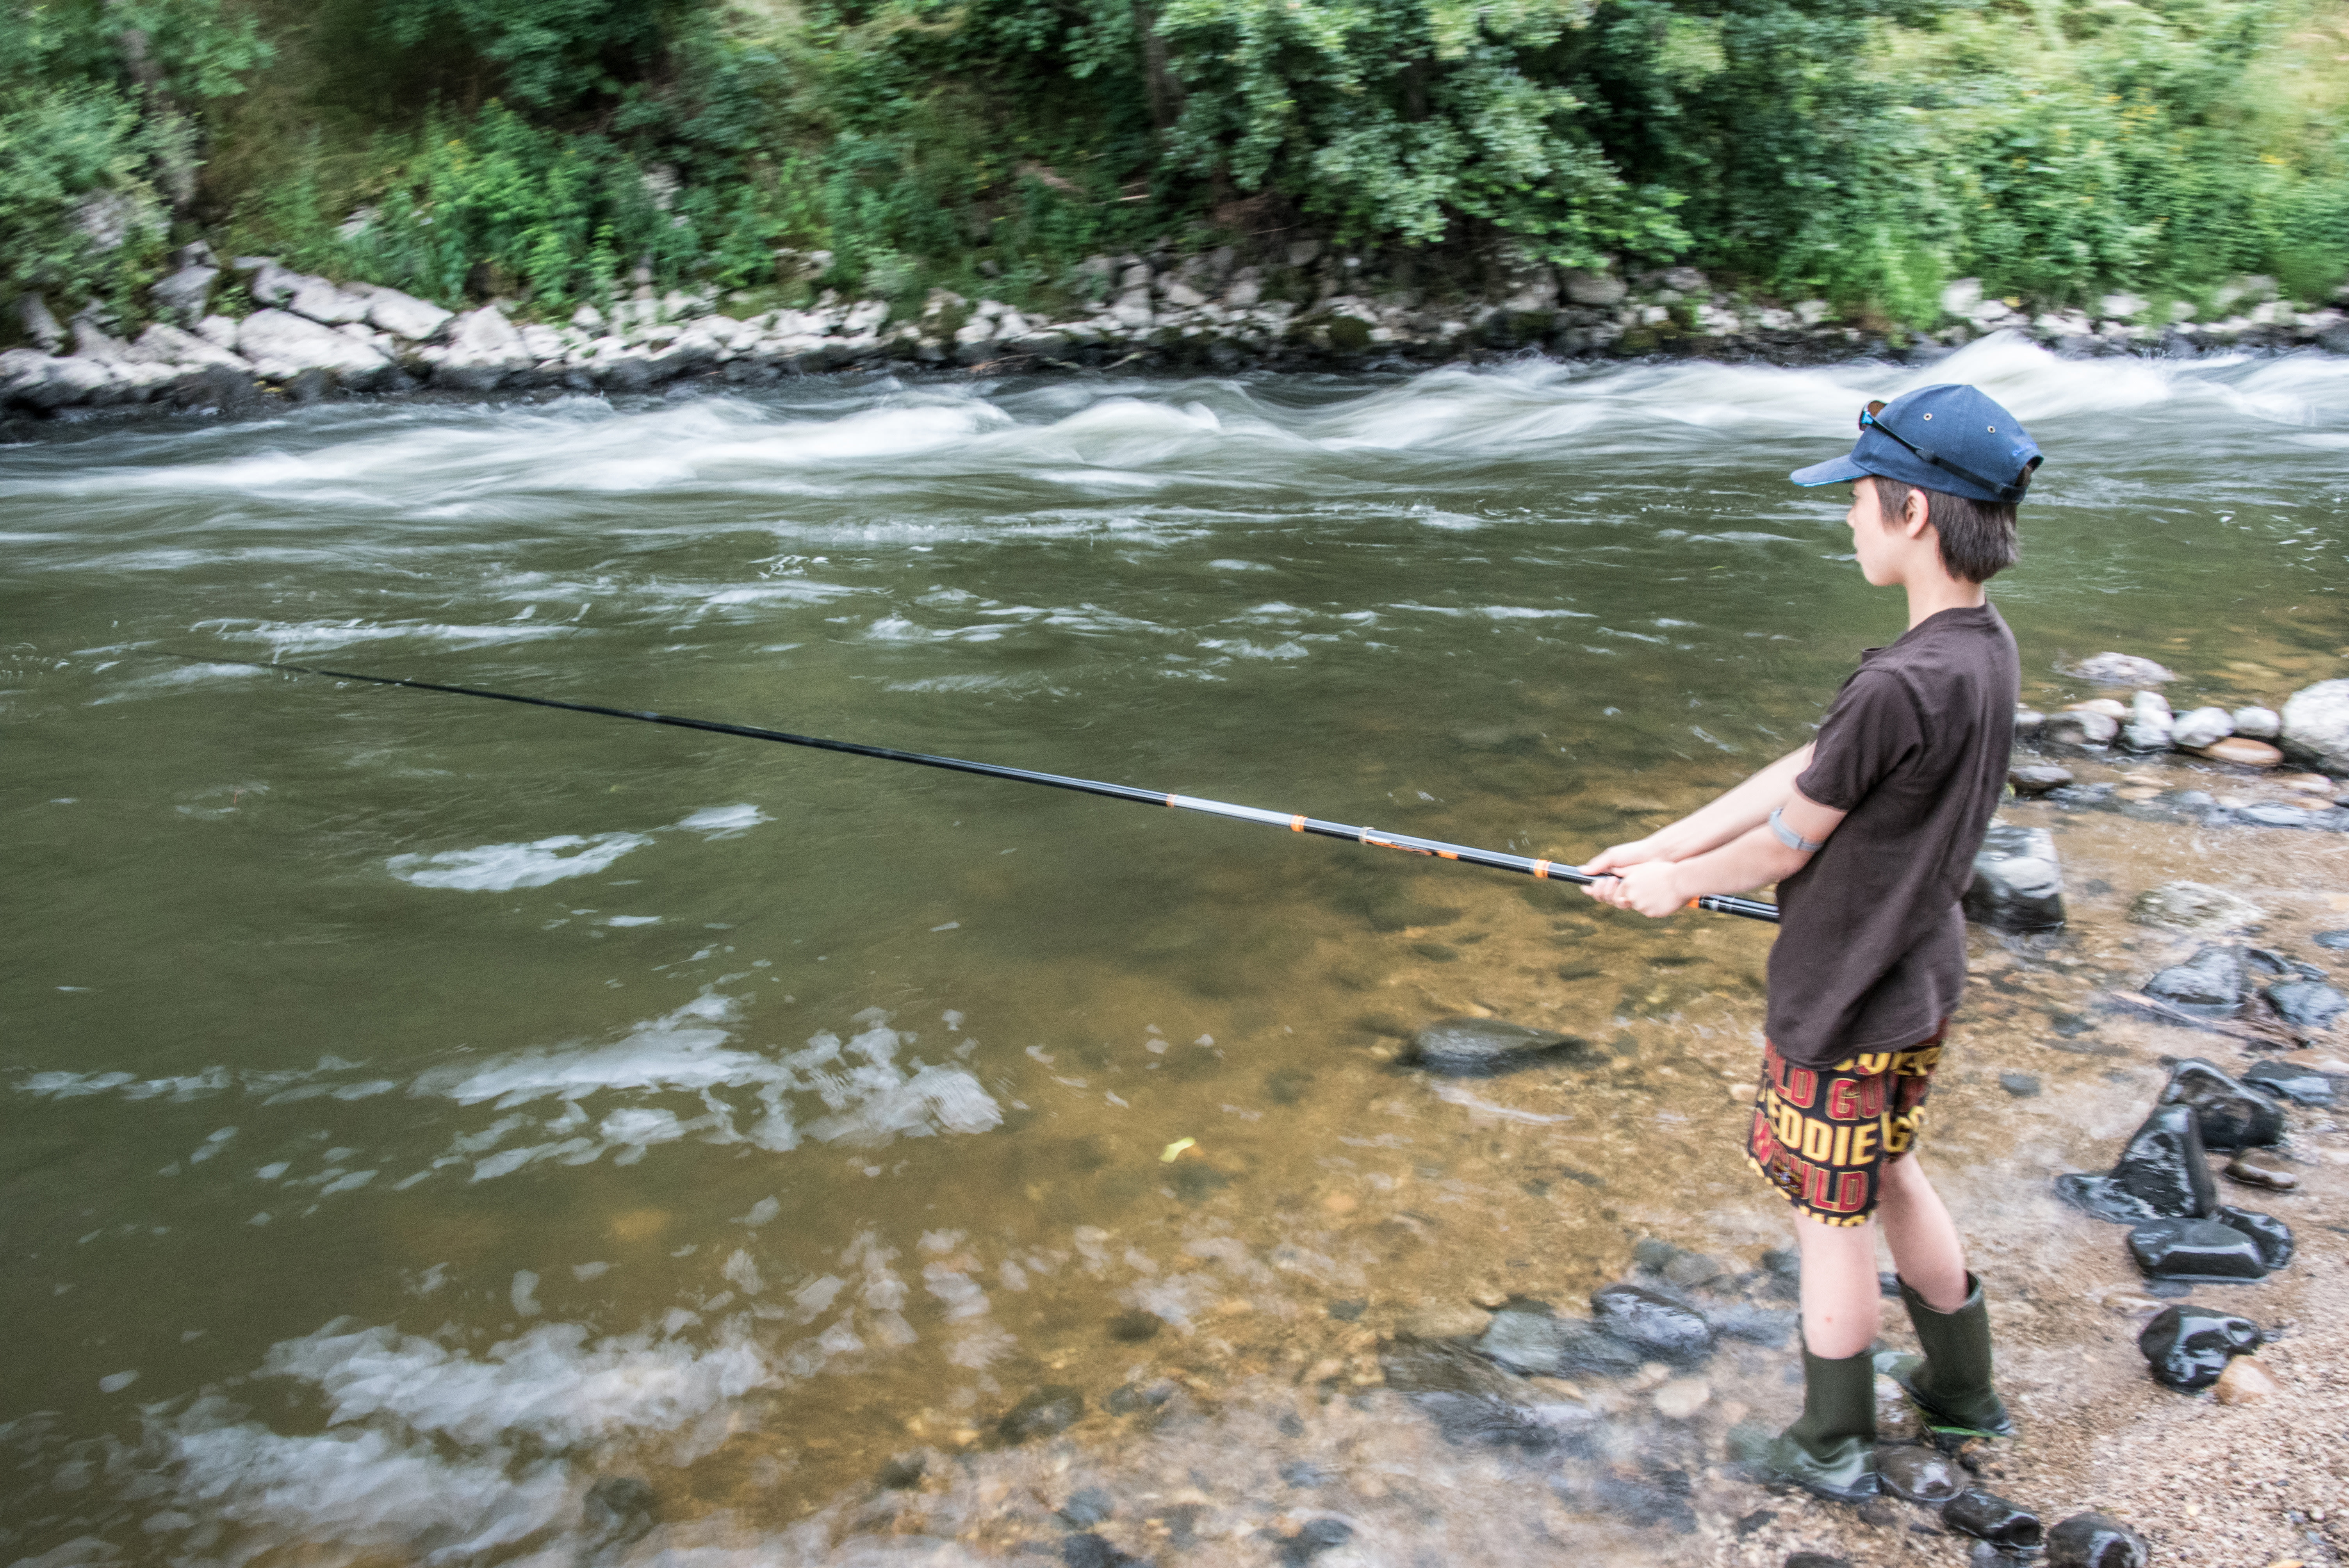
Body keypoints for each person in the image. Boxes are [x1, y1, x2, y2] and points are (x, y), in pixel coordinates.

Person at [1578, 383, 2043, 1500]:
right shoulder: (1980, 653)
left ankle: (1830, 1442)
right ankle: (1963, 1396)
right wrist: (1664, 842)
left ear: (1914, 513)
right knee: (1891, 1177)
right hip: (1918, 985)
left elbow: (1788, 841)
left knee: (1825, 1221)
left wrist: (1676, 889)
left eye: (1856, 498)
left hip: (1839, 1003)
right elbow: (1811, 769)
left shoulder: (1894, 683)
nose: (1845, 516)